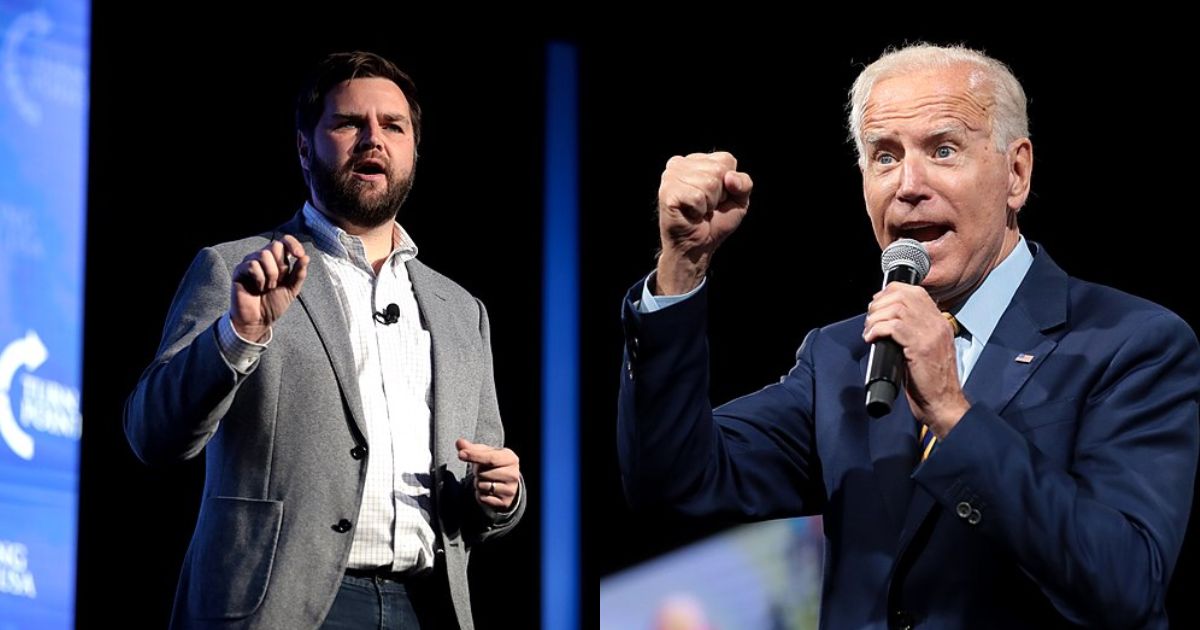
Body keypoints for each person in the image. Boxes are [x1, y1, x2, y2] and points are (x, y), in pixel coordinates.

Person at [617, 43, 1200, 628]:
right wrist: (682, 268)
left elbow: (1126, 584)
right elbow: (674, 483)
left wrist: (952, 411)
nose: (909, 184)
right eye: (884, 156)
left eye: (943, 150)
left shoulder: (1131, 344)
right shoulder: (842, 356)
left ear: (1016, 173)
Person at [125, 51, 526, 630]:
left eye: (393, 126)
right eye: (348, 124)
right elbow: (151, 435)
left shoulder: (462, 311)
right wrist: (240, 336)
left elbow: (483, 482)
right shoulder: (236, 268)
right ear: (304, 146)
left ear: (414, 150)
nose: (373, 140)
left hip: (427, 608)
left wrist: (502, 497)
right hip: (280, 605)